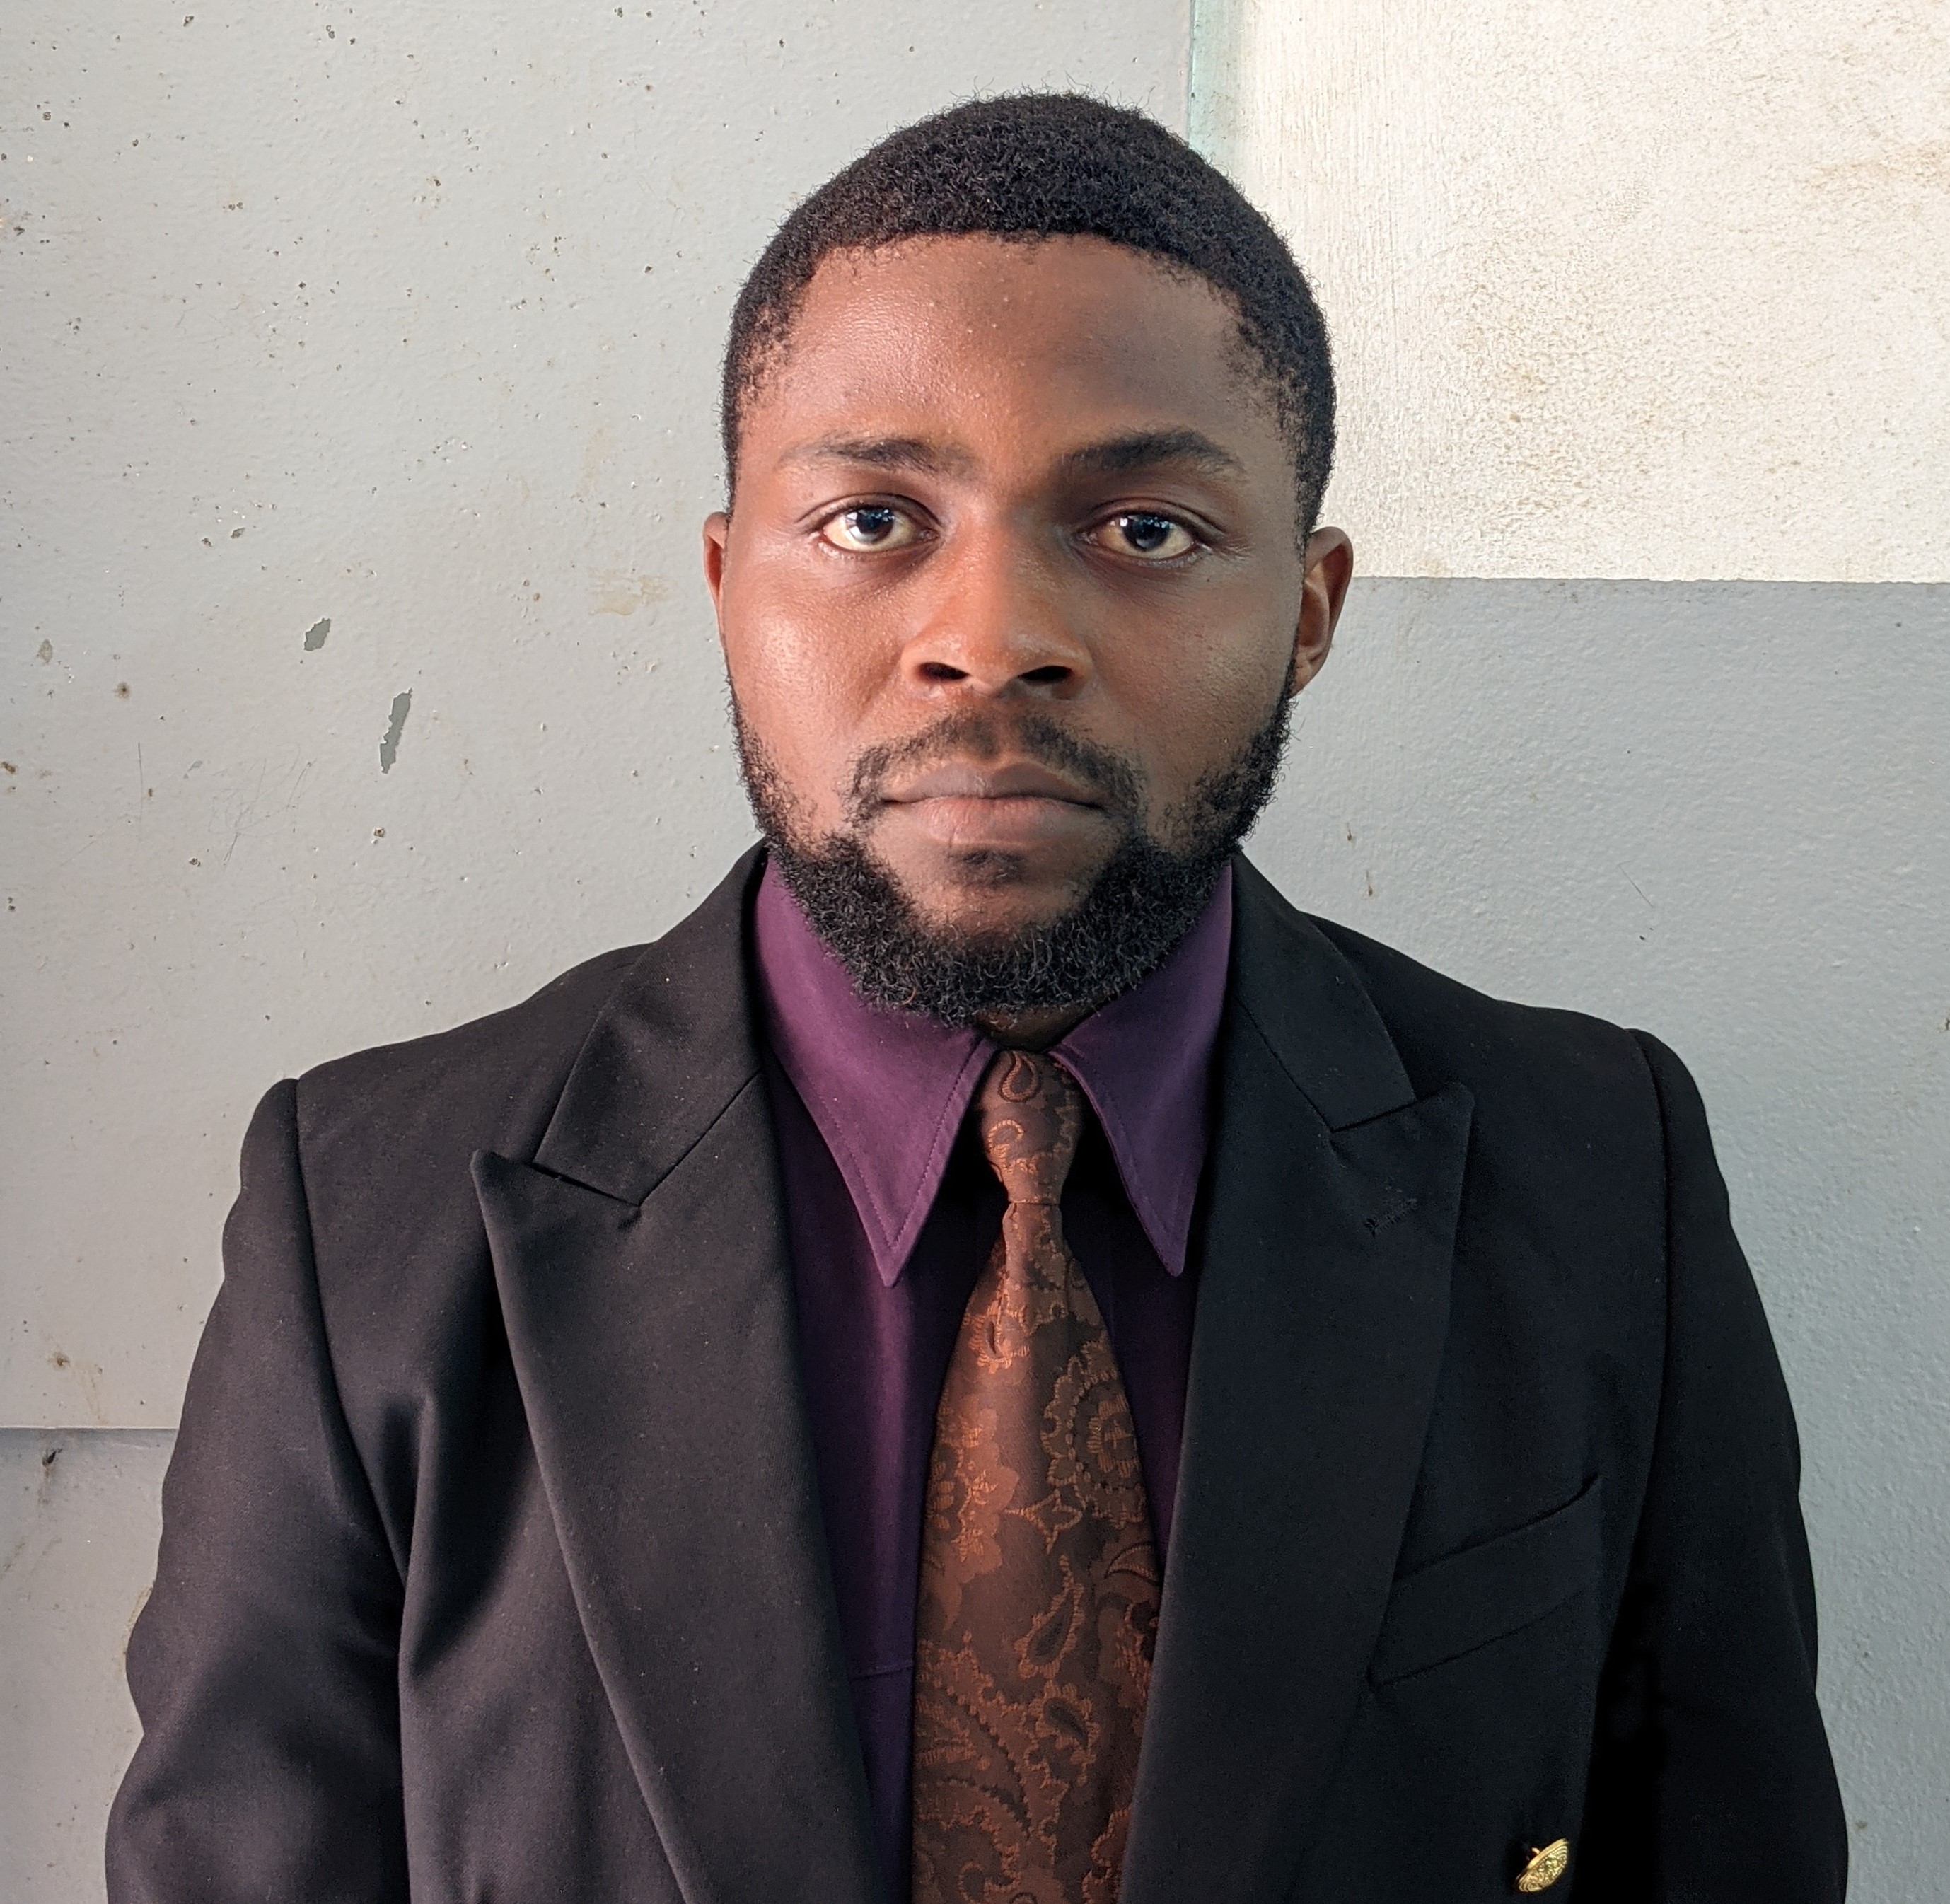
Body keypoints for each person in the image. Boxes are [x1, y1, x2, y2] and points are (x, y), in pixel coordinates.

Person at [108, 95, 1846, 1904]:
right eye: (872, 517)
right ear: (725, 584)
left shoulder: (1596, 1177)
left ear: (1309, 610)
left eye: (1145, 528)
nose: (990, 635)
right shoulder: (365, 1214)